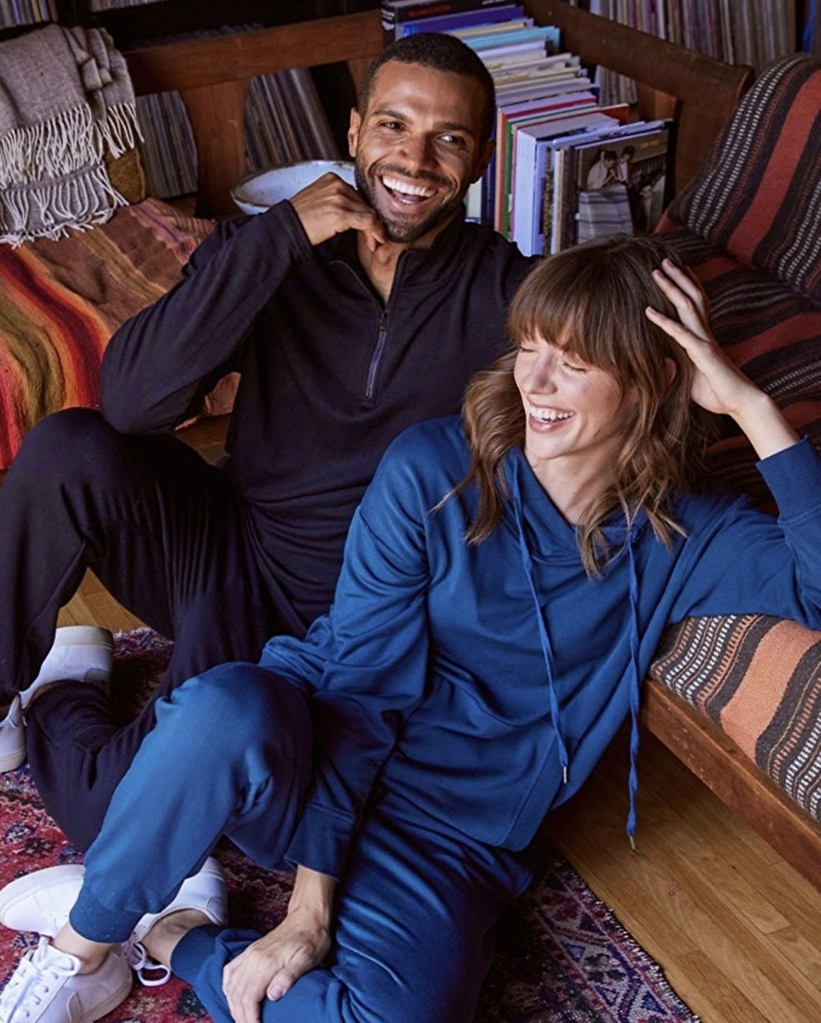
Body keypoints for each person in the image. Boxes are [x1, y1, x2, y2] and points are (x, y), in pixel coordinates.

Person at [1, 235, 820, 1023]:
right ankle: (81, 947)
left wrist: (750, 406)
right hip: (313, 747)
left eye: (572, 364)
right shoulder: (433, 468)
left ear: (654, 380)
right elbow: (360, 694)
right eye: (529, 347)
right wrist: (308, 912)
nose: (534, 382)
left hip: (447, 830)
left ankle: (170, 931)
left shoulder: (689, 533)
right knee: (218, 709)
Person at [0, 31, 531, 847]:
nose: (415, 159)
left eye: (449, 138)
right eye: (393, 126)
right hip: (229, 549)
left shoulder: (512, 296)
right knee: (68, 447)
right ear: (353, 131)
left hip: (343, 622)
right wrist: (277, 236)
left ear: (483, 157)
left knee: (119, 821)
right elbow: (133, 402)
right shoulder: (277, 252)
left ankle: (62, 692)